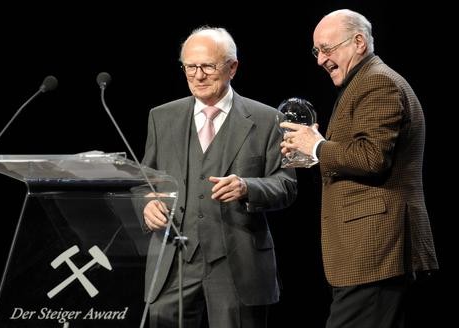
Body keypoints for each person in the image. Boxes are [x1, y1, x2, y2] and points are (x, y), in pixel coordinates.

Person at [280, 9, 438, 328]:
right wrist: (316, 152)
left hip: (376, 253)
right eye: (316, 51)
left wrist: (318, 146)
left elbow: (371, 157)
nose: (320, 60)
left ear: (358, 42)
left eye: (326, 49)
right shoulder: (364, 81)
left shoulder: (377, 82)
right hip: (371, 254)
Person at [141, 26, 297, 328]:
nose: (198, 76)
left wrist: (247, 187)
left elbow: (286, 184)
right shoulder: (161, 117)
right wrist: (147, 205)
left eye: (208, 67)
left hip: (237, 261)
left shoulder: (267, 119)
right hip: (174, 259)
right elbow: (145, 181)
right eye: (190, 67)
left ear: (232, 67)